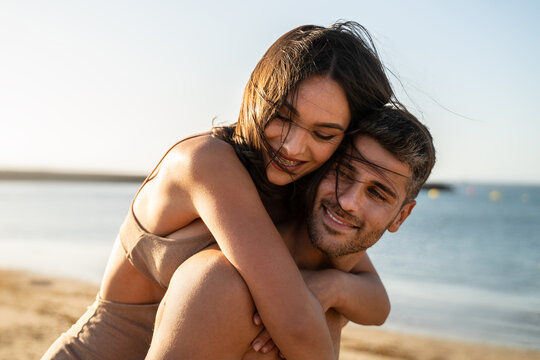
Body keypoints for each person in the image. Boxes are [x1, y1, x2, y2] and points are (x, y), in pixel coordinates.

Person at [42, 21, 396, 360]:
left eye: (323, 134)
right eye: (282, 116)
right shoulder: (206, 163)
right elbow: (296, 324)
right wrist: (307, 299)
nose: (292, 147)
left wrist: (332, 286)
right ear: (258, 91)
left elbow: (376, 303)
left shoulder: (297, 188)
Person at [145, 107, 436, 359]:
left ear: (401, 216)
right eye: (343, 173)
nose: (348, 201)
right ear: (319, 168)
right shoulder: (222, 283)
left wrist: (333, 287)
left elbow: (379, 308)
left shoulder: (338, 280)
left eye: (377, 193)